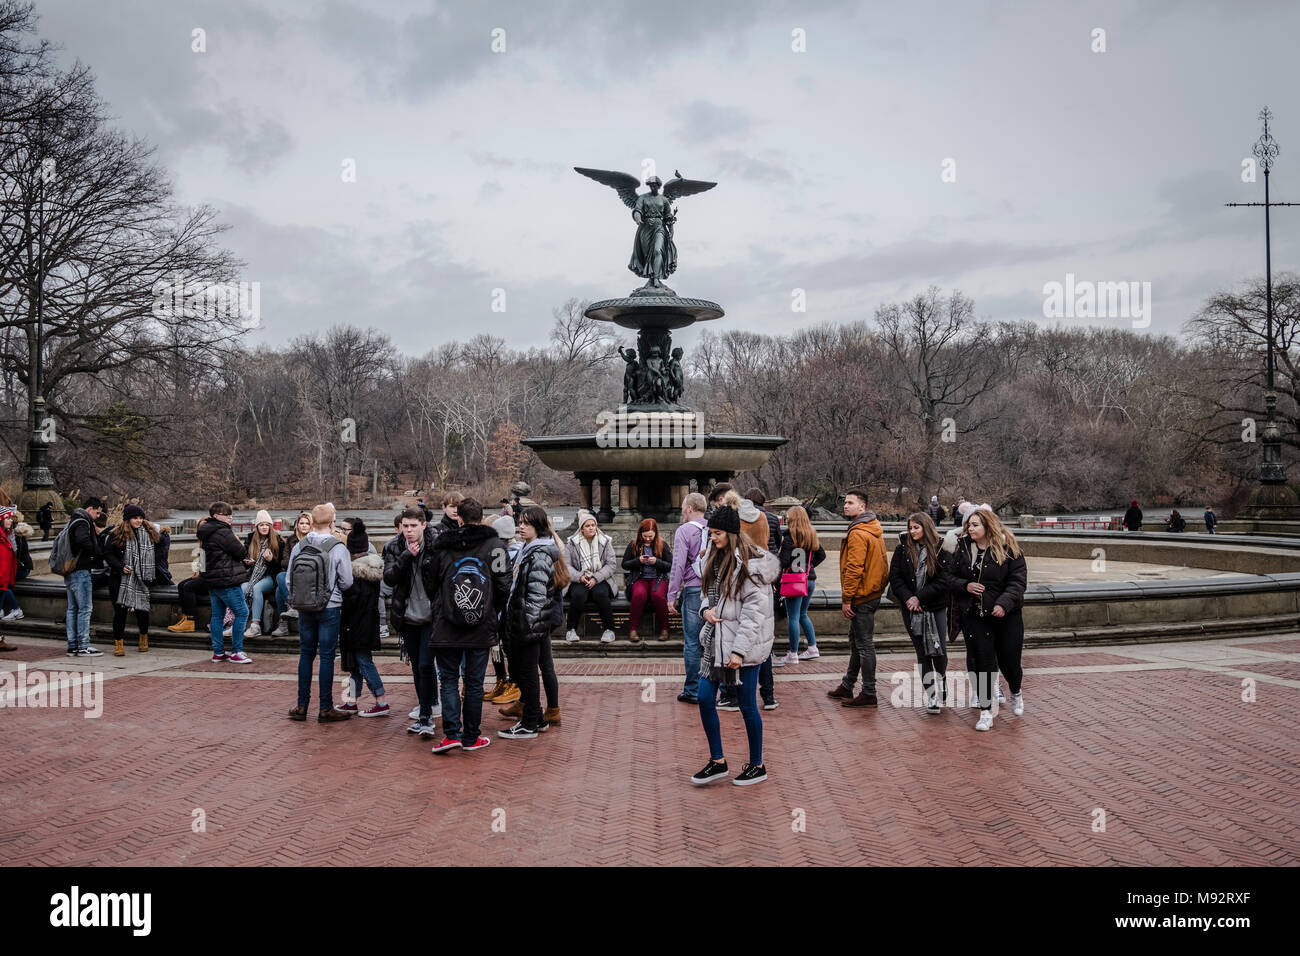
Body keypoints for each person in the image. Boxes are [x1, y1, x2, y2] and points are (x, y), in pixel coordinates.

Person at [688, 500, 780, 787]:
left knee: (747, 705)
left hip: (744, 646)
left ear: (731, 533)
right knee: (704, 697)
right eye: (710, 533)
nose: (712, 538)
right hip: (715, 642)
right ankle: (717, 761)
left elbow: (755, 615)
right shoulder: (713, 560)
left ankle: (757, 764)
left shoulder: (750, 566)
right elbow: (708, 596)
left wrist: (739, 651)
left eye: (717, 533)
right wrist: (706, 611)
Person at [428, 498, 510, 753]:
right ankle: (472, 736)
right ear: (483, 516)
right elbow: (504, 584)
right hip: (481, 625)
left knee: (449, 680)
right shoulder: (495, 545)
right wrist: (489, 610)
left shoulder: (442, 546)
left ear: (459, 518)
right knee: (474, 683)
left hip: (446, 625)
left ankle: (451, 733)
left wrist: (442, 607)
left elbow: (430, 582)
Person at [949, 508, 1027, 732]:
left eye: (975, 525)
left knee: (1009, 663)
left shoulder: (1009, 548)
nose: (970, 529)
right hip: (975, 615)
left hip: (1006, 616)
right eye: (969, 525)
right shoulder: (963, 548)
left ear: (988, 527)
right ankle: (985, 711)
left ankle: (1016, 691)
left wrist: (1003, 604)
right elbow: (949, 577)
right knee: (983, 663)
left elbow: (1018, 582)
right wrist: (965, 585)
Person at [499, 506, 568, 740]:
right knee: (528, 671)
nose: (520, 526)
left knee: (528, 673)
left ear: (537, 527)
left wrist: (527, 624)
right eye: (519, 522)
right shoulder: (530, 549)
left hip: (529, 624)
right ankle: (536, 717)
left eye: (526, 523)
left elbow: (537, 595)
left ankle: (529, 722)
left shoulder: (538, 553)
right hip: (528, 622)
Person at [285, 503, 354, 721]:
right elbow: (347, 581)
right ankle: (325, 708)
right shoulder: (338, 547)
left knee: (306, 654)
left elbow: (289, 579)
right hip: (329, 606)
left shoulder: (300, 546)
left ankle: (301, 706)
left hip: (305, 607)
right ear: (332, 522)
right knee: (326, 656)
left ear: (312, 522)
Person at [827, 489, 888, 707]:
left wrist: (847, 599)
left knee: (863, 645)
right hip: (870, 593)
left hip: (861, 597)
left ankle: (869, 692)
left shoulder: (858, 533)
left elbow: (854, 569)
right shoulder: (872, 528)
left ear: (862, 507)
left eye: (850, 503)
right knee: (857, 643)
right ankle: (847, 685)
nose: (845, 505)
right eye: (845, 502)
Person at [384, 507, 441, 736]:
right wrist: (407, 556)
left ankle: (428, 713)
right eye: (405, 526)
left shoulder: (437, 544)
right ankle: (424, 711)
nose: (408, 531)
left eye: (413, 526)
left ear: (423, 525)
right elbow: (389, 577)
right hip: (407, 616)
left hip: (431, 616)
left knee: (427, 665)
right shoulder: (394, 546)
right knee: (417, 667)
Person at [890, 513, 952, 714]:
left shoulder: (942, 548)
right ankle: (932, 695)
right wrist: (909, 598)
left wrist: (921, 597)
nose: (912, 531)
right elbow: (895, 576)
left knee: (938, 649)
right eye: (910, 528)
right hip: (910, 609)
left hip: (935, 607)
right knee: (922, 653)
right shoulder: (902, 549)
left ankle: (942, 678)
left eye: (916, 527)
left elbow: (944, 580)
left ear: (926, 527)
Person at [338, 521, 390, 718]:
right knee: (356, 665)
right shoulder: (373, 569)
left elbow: (351, 602)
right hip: (367, 623)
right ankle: (352, 700)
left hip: (356, 625)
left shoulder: (355, 574)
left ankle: (381, 699)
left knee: (363, 662)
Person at [736, 493, 780, 709]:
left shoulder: (736, 518)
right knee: (763, 642)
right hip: (763, 570)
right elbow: (771, 543)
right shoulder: (764, 517)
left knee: (741, 636)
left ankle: (735, 695)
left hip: (745, 569)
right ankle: (768, 695)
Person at [102, 504, 162, 656]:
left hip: (142, 578)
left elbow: (159, 551)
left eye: (141, 518)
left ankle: (143, 638)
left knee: (142, 610)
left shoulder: (149, 533)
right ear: (128, 519)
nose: (139, 521)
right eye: (135, 518)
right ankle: (118, 643)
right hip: (120, 579)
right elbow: (108, 554)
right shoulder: (116, 534)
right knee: (120, 612)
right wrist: (120, 566)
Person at [198, 502, 253, 664]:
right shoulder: (223, 532)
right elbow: (241, 551)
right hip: (227, 580)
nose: (230, 517)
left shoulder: (206, 531)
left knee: (217, 616)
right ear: (216, 516)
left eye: (231, 514)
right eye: (226, 514)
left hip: (213, 581)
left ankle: (218, 652)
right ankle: (236, 651)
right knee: (242, 612)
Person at [667, 492, 709, 704]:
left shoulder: (684, 531)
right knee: (712, 640)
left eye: (684, 507)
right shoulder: (712, 529)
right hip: (713, 590)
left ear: (690, 508)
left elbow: (678, 564)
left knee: (692, 642)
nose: (683, 511)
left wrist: (671, 595)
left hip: (693, 590)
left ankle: (692, 690)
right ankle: (714, 687)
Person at [776, 505, 826, 665]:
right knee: (803, 614)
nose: (787, 519)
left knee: (793, 616)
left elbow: (782, 562)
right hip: (809, 579)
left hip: (794, 581)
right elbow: (821, 555)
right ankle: (812, 647)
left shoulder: (790, 537)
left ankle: (793, 653)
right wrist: (809, 567)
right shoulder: (811, 535)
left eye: (789, 517)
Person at [484, 513, 522, 705]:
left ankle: (514, 684)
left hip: (509, 608)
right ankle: (502, 679)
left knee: (509, 647)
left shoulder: (516, 551)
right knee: (495, 646)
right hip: (496, 608)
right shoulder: (498, 551)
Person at [564, 509, 617, 644]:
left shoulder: (605, 542)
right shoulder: (572, 543)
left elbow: (611, 565)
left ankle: (609, 630)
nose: (591, 528)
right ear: (581, 529)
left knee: (600, 594)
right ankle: (571, 630)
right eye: (587, 526)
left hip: (601, 578)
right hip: (580, 578)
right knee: (579, 595)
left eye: (593, 525)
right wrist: (580, 576)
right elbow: (567, 566)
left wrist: (596, 578)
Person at [63, 496, 105, 657]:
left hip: (71, 570)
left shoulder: (73, 520)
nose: (98, 516)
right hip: (81, 570)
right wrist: (96, 551)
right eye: (97, 512)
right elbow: (82, 540)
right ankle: (83, 645)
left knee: (72, 609)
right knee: (85, 609)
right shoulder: (83, 522)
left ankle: (73, 645)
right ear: (89, 509)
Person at [622, 518, 673, 642]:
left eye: (650, 536)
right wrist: (637, 561)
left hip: (658, 578)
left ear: (655, 533)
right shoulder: (633, 544)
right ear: (640, 533)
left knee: (657, 596)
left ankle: (665, 629)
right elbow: (624, 564)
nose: (648, 539)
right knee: (639, 595)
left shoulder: (663, 545)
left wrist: (657, 562)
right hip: (639, 578)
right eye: (645, 536)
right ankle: (633, 629)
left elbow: (670, 565)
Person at [242, 510, 286, 638]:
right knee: (242, 588)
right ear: (257, 526)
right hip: (253, 575)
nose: (264, 527)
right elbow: (243, 559)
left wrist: (271, 560)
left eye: (267, 524)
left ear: (271, 526)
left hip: (270, 576)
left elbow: (280, 568)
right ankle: (240, 623)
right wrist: (247, 563)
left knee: (256, 588)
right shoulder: (251, 539)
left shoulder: (278, 540)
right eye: (261, 525)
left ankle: (255, 625)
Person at [274, 511, 313, 635]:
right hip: (293, 573)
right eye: (301, 523)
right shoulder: (291, 540)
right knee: (280, 581)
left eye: (307, 523)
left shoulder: (314, 539)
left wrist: (296, 561)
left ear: (311, 525)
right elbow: (284, 562)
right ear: (297, 525)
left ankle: (287, 619)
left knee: (279, 588)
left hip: (308, 575)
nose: (304, 526)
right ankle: (288, 617)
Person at [0, 507, 25, 621]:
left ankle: (15, 609)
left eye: (10, 518)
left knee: (4, 588)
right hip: (4, 575)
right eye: (7, 518)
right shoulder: (4, 536)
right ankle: (15, 609)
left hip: (5, 574)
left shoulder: (8, 535)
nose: (10, 521)